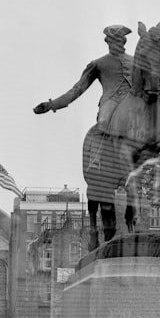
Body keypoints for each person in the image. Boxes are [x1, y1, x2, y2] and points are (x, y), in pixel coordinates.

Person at [32, 24, 134, 249]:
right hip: (110, 104)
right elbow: (77, 90)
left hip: (133, 107)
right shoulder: (98, 64)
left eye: (121, 40)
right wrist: (52, 105)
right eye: (114, 40)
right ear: (108, 41)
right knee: (105, 122)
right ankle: (99, 156)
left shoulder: (136, 62)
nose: (118, 43)